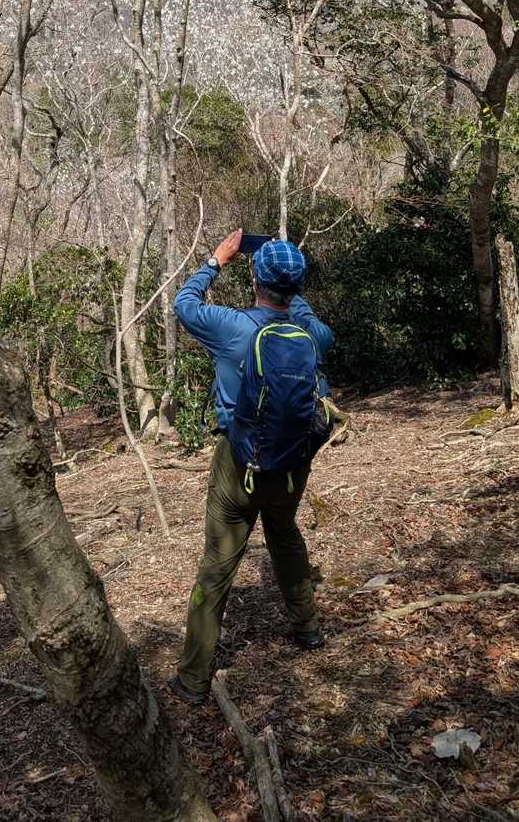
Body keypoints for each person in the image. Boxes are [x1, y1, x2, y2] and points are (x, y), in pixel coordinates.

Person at [169, 227, 334, 704]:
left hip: (236, 461)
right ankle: (307, 629)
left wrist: (217, 260)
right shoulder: (314, 335)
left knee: (218, 562)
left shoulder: (231, 326)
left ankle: (194, 678)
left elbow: (184, 303)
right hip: (292, 461)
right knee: (284, 535)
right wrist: (292, 289)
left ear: (255, 281)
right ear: (297, 287)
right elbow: (308, 318)